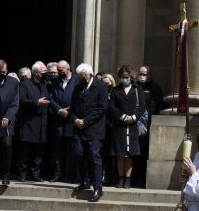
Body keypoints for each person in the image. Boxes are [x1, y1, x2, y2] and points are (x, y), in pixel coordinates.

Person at [70, 63, 107, 202]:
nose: (82, 79)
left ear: (89, 73)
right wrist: (75, 119)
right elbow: (72, 107)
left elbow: (102, 109)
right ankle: (85, 180)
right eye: (80, 76)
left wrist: (85, 121)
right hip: (78, 128)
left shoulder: (101, 87)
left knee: (94, 157)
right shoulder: (78, 87)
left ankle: (98, 188)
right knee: (79, 153)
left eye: (83, 76)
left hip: (94, 128)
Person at [107, 65, 145, 189]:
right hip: (120, 125)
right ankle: (121, 178)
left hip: (132, 125)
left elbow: (141, 107)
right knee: (120, 153)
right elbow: (112, 107)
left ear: (131, 76)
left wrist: (133, 117)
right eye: (123, 77)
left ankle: (128, 179)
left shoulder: (137, 89)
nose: (125, 79)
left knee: (129, 154)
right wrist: (123, 117)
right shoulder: (115, 90)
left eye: (127, 77)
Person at [16, 61, 50, 181]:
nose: (46, 74)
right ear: (36, 73)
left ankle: (35, 174)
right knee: (25, 151)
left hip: (42, 124)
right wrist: (36, 102)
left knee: (38, 152)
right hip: (29, 124)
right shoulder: (25, 84)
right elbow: (21, 100)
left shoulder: (46, 84)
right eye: (44, 72)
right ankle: (23, 174)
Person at [133, 65, 164, 187]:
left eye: (144, 74)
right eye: (140, 74)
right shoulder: (134, 87)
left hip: (147, 124)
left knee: (143, 153)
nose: (142, 76)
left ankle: (141, 180)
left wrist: (143, 116)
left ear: (149, 75)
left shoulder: (155, 88)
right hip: (133, 122)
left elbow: (155, 106)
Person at [48, 60, 79, 183]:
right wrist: (59, 109)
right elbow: (51, 98)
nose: (60, 73)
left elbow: (80, 97)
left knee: (72, 151)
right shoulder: (55, 82)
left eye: (62, 71)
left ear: (68, 69)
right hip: (59, 120)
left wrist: (70, 109)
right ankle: (57, 174)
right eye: (58, 71)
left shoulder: (76, 81)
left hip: (72, 120)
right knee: (58, 151)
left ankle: (70, 175)